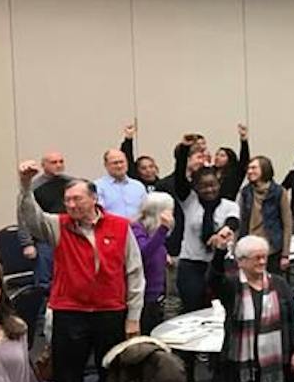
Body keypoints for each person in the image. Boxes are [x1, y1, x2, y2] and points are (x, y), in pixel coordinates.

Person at [17, 162, 143, 382]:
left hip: (110, 313)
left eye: (77, 200)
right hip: (70, 314)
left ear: (93, 199)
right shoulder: (59, 226)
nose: (71, 205)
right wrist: (24, 186)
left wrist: (133, 317)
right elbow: (31, 219)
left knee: (112, 381)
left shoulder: (118, 226)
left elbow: (134, 273)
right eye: (67, 201)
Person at [207, 236, 294, 382]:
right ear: (241, 262)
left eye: (264, 257)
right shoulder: (232, 286)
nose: (262, 262)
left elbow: (293, 320)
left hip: (275, 364)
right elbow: (213, 280)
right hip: (241, 365)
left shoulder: (279, 284)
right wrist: (219, 252)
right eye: (256, 258)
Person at [170, 147, 240, 351]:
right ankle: (193, 357)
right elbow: (180, 179)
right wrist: (183, 150)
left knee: (225, 310)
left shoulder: (228, 205)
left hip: (220, 265)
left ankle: (222, 353)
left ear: (219, 184)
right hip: (192, 264)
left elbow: (233, 220)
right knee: (193, 310)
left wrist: (225, 230)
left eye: (213, 185)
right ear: (196, 188)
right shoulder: (189, 201)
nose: (209, 190)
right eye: (204, 187)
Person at [17, 149, 70, 292]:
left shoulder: (70, 183)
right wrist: (27, 243)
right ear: (44, 165)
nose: (58, 165)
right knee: (44, 283)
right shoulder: (33, 187)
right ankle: (41, 313)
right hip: (44, 239)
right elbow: (23, 216)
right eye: (53, 162)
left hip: (67, 237)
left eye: (61, 162)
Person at [238, 155, 293, 274]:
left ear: (264, 169)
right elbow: (241, 220)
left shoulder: (279, 192)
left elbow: (287, 223)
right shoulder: (246, 192)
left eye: (254, 168)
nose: (249, 171)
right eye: (248, 168)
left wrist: (285, 254)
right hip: (249, 246)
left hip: (272, 247)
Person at [131, 192, 174, 335]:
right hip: (144, 295)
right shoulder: (137, 229)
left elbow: (156, 247)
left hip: (158, 293)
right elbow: (143, 253)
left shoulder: (153, 230)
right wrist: (163, 230)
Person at [94, 148, 146, 220]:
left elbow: (146, 212)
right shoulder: (97, 187)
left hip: (137, 229)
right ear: (106, 165)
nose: (119, 166)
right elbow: (98, 213)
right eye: (115, 163)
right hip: (111, 229)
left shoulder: (138, 186)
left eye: (122, 162)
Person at [209, 123, 250, 199]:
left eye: (222, 156)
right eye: (217, 154)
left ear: (230, 159)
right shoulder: (210, 171)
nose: (217, 157)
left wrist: (243, 140)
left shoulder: (235, 173)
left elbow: (244, 160)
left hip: (227, 206)